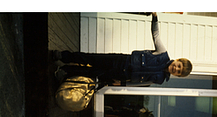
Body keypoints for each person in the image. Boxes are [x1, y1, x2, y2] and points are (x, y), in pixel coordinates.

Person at [51, 12, 193, 86]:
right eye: (178, 66)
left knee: (92, 73)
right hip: (122, 60)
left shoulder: (160, 79)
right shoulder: (163, 54)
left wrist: (122, 83)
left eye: (179, 72)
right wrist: (155, 17)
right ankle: (62, 56)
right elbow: (156, 35)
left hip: (122, 75)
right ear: (178, 60)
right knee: (91, 58)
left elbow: (142, 83)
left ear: (177, 75)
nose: (176, 69)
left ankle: (65, 71)